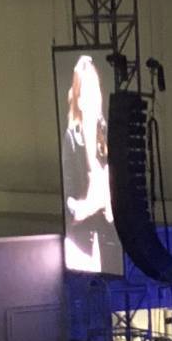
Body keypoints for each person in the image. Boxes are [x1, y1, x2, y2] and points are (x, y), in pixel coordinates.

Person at [60, 52, 117, 272]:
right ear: (79, 99)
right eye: (88, 90)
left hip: (110, 238)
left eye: (97, 90)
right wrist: (89, 205)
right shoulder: (72, 138)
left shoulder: (106, 133)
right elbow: (69, 200)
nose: (95, 97)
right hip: (82, 245)